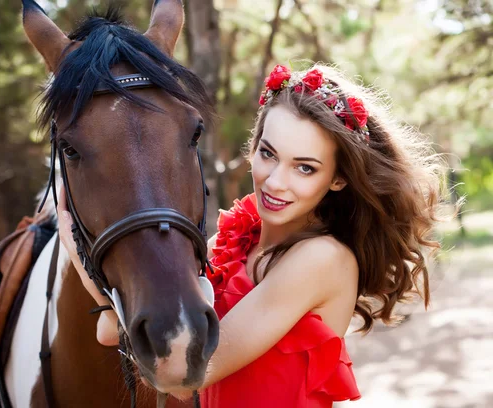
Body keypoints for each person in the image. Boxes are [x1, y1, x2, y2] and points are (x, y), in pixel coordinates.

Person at [56, 63, 445, 407]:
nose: (275, 182)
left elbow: (182, 376)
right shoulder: (233, 242)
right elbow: (110, 329)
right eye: (268, 153)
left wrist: (72, 242)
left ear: (339, 178)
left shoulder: (324, 259)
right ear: (253, 146)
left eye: (305, 168)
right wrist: (83, 246)